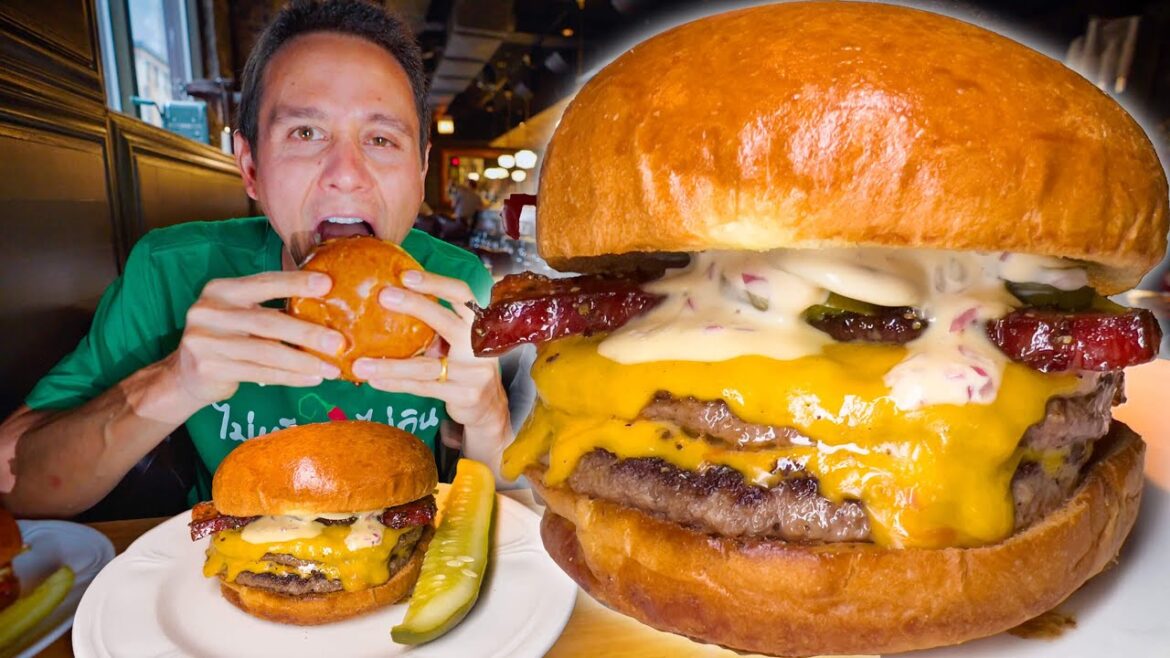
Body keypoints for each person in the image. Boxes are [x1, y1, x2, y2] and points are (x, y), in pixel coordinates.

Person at [0, 0, 512, 517]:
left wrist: (488, 420)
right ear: (251, 168)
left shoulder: (455, 284)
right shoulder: (171, 271)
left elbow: (506, 516)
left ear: (422, 170)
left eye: (381, 139)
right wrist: (174, 381)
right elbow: (12, 482)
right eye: (306, 133)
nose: (347, 173)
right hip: (219, 574)